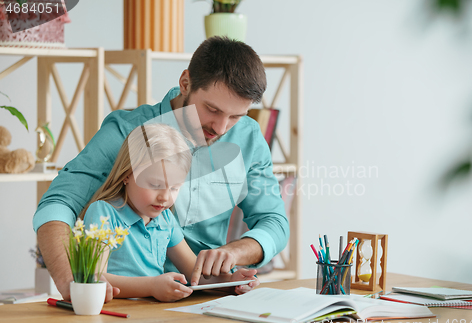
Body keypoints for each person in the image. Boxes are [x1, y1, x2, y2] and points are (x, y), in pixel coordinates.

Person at [33, 36, 289, 301]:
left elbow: (275, 223)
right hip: (133, 301)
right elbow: (58, 204)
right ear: (185, 83)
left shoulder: (249, 138)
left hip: (204, 296)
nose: (221, 128)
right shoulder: (128, 132)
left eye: (236, 116)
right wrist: (73, 283)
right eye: (212, 109)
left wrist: (233, 254)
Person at [80, 124, 258, 302]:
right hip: (115, 316)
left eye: (174, 188)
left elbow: (194, 273)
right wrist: (151, 286)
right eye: (155, 185)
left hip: (155, 316)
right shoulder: (103, 212)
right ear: (127, 174)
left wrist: (230, 283)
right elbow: (95, 278)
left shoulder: (165, 219)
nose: (164, 197)